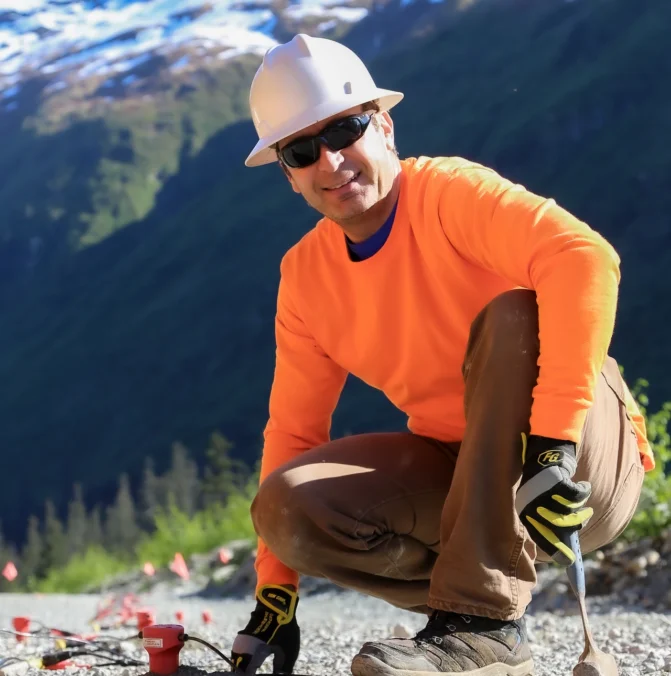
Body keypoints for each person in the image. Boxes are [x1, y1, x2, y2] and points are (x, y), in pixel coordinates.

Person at [230, 33, 654, 676]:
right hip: (463, 480)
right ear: (288, 174)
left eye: (346, 130)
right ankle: (479, 607)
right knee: (287, 506)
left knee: (516, 313)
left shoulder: (447, 194)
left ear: (386, 126)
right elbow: (293, 430)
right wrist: (274, 593)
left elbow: (585, 257)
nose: (332, 160)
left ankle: (481, 628)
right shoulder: (305, 278)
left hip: (578, 465)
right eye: (302, 149)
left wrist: (553, 443)